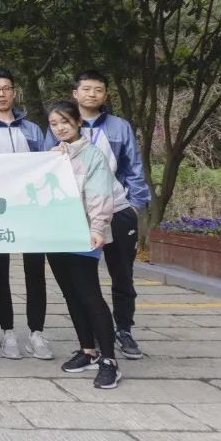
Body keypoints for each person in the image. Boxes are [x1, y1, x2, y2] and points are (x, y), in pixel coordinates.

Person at [46, 70, 150, 360]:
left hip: (114, 211)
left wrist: (134, 205)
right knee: (79, 285)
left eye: (98, 89)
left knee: (121, 275)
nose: (92, 94)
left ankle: (123, 331)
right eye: (86, 89)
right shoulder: (59, 134)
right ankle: (89, 345)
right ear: (75, 94)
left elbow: (133, 166)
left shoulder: (118, 128)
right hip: (76, 219)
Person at [0, 69, 53, 361]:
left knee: (35, 271)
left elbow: (47, 166)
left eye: (6, 88)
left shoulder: (33, 130)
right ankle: (7, 332)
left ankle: (37, 332)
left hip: (30, 211)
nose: (2, 94)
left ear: (14, 92)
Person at [46, 101, 122, 389]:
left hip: (84, 234)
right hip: (56, 235)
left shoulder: (93, 156)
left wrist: (97, 228)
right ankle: (88, 350)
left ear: (78, 122)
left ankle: (109, 360)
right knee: (70, 294)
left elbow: (100, 195)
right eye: (54, 124)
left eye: (65, 121)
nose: (60, 128)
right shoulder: (52, 157)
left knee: (89, 294)